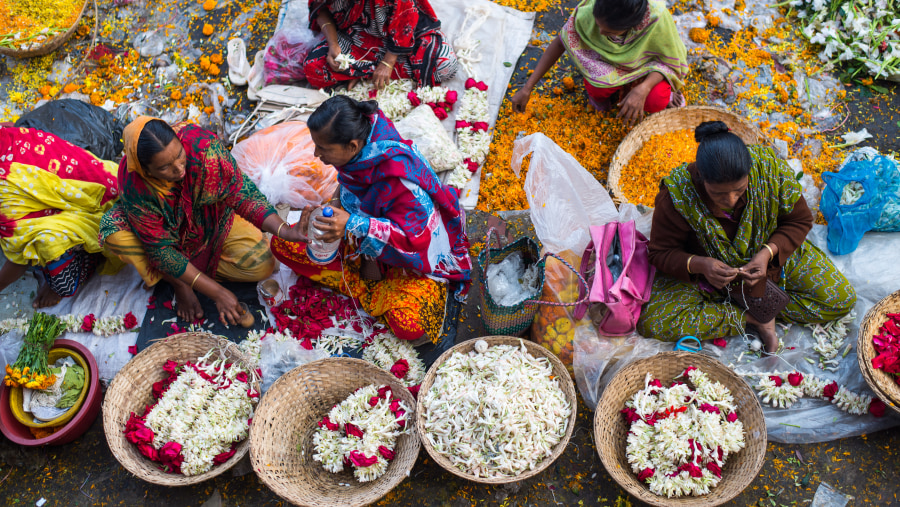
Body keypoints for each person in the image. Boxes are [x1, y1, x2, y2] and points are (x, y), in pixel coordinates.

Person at [637, 121, 856, 352]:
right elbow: (660, 253)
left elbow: (799, 220)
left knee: (840, 299)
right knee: (655, 321)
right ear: (701, 176)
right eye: (719, 194)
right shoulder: (677, 196)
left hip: (769, 258)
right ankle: (751, 318)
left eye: (739, 190)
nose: (730, 200)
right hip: (707, 276)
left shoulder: (769, 172)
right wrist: (702, 265)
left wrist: (767, 253)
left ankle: (757, 305)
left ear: (750, 172)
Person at [270, 95, 471, 343]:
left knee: (410, 326)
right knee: (281, 243)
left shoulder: (399, 180)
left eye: (323, 148)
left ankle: (363, 285)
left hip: (410, 263)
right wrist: (332, 208)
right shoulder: (360, 157)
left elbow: (418, 240)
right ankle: (367, 284)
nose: (316, 154)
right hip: (362, 243)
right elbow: (348, 188)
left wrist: (354, 224)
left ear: (352, 146)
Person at [99, 118, 306, 324]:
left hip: (209, 220)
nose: (179, 168)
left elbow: (242, 193)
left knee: (263, 265)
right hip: (155, 233)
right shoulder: (135, 184)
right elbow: (161, 250)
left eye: (180, 155)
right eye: (165, 168)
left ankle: (189, 272)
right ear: (146, 170)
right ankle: (178, 280)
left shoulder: (203, 149)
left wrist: (284, 231)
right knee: (113, 233)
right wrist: (212, 291)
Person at [511, 0, 688, 125]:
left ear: (633, 26)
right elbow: (560, 42)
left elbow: (668, 61)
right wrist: (527, 88)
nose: (599, 32)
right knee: (598, 89)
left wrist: (644, 88)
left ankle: (645, 89)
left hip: (646, 66)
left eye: (609, 31)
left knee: (655, 100)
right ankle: (610, 91)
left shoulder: (656, 19)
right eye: (598, 25)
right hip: (607, 64)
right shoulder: (590, 10)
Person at [0, 127, 121, 308]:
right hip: (113, 177)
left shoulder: (6, 196)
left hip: (108, 216)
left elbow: (19, 259)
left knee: (46, 246)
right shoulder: (7, 135)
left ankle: (84, 262)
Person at [303, 0, 459, 90]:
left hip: (404, 34)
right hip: (358, 34)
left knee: (445, 66)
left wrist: (388, 63)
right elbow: (320, 9)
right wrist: (334, 44)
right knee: (313, 69)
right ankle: (367, 71)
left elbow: (406, 19)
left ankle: (360, 71)